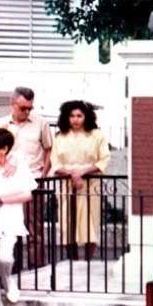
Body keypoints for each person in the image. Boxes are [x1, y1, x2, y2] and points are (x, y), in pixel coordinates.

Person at [0, 87, 53, 268]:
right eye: (23, 108)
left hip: (32, 180)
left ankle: (37, 268)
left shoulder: (41, 123)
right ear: (12, 104)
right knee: (9, 226)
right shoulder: (0, 124)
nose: (27, 111)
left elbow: (49, 148)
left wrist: (43, 174)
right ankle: (13, 268)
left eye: (30, 108)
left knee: (34, 226)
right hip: (8, 183)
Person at [0, 129, 37, 306]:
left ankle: (8, 280)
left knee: (4, 259)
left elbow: (27, 194)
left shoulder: (17, 166)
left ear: (4, 149)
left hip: (9, 221)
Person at [49, 101, 110, 260]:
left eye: (79, 116)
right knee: (67, 221)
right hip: (66, 185)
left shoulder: (97, 135)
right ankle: (72, 260)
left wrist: (82, 172)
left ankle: (88, 261)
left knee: (90, 221)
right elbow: (55, 162)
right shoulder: (60, 136)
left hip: (90, 184)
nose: (75, 119)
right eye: (72, 116)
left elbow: (103, 159)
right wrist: (72, 174)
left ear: (86, 116)